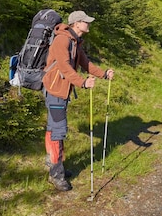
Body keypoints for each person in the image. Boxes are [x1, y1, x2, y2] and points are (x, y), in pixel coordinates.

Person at [42, 10, 114, 191]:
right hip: (55, 90)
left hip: (61, 90)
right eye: (85, 21)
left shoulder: (75, 42)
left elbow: (86, 64)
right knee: (58, 130)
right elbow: (65, 67)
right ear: (76, 23)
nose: (88, 23)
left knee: (53, 128)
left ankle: (54, 164)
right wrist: (83, 83)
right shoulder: (62, 40)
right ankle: (56, 175)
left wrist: (104, 74)